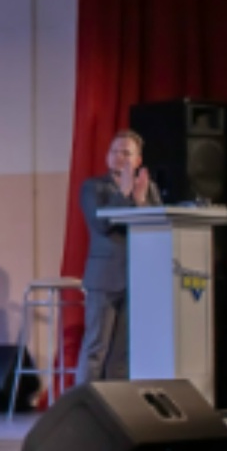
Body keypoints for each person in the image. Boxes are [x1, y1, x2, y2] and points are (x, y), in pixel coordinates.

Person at [76, 129, 162, 384]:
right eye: (114, 151)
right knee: (96, 348)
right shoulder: (93, 187)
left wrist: (141, 202)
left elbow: (158, 228)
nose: (119, 157)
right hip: (104, 279)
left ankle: (114, 405)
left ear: (138, 160)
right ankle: (83, 404)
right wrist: (123, 194)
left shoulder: (148, 188)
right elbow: (101, 224)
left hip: (136, 280)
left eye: (126, 153)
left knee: (122, 355)